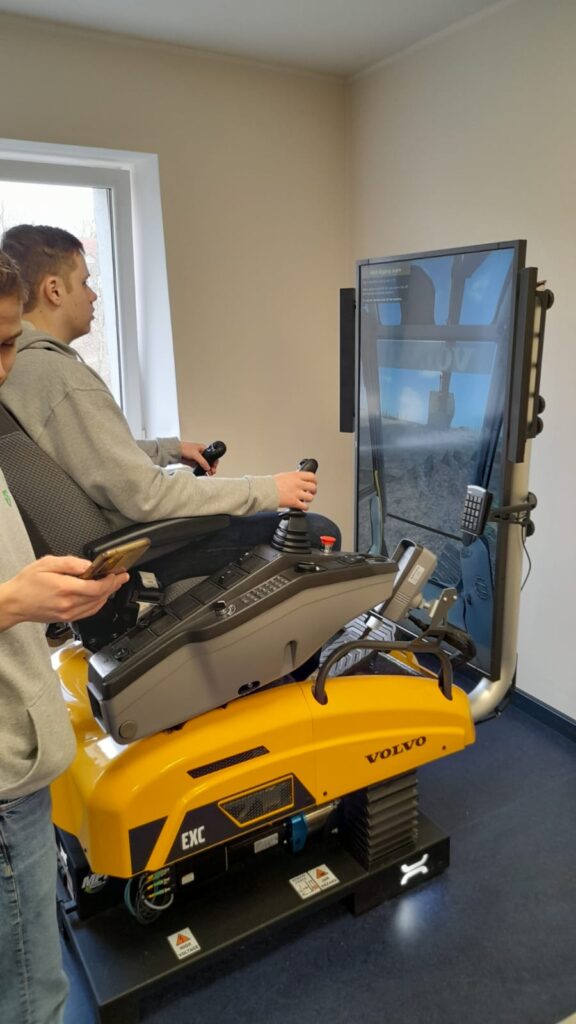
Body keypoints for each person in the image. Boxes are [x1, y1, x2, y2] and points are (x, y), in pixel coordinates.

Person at [0, 225, 340, 585]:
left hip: (107, 545)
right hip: (134, 556)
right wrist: (270, 489)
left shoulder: (22, 368)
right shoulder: (61, 379)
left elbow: (85, 454)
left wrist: (171, 450)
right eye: (84, 283)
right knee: (316, 531)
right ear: (54, 290)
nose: (93, 294)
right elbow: (148, 496)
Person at [0, 250, 130, 1024]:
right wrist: (12, 600)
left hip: (24, 748)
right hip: (4, 781)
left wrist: (33, 589)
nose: (6, 367)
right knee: (32, 997)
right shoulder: (53, 377)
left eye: (10, 342)